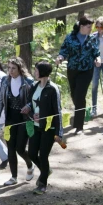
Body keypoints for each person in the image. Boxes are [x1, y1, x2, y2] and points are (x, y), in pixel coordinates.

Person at [55, 15, 100, 135]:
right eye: (89, 27)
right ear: (81, 26)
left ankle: (79, 125)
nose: (91, 29)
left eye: (91, 27)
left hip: (87, 70)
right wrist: (60, 58)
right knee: (74, 95)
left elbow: (96, 52)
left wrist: (98, 59)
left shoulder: (92, 38)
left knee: (80, 95)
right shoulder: (70, 37)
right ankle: (81, 110)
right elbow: (63, 51)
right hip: (73, 69)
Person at [0, 57, 35, 186]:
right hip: (10, 118)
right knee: (10, 148)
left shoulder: (29, 81)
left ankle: (30, 164)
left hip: (25, 118)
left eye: (13, 68)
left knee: (20, 148)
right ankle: (13, 177)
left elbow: (35, 99)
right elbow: (0, 100)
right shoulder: (5, 81)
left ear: (20, 68)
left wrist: (28, 106)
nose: (10, 71)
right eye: (9, 68)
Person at [26, 61, 63, 195]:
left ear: (42, 72)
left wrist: (59, 133)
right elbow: (29, 104)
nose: (34, 72)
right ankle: (45, 170)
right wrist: (31, 114)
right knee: (31, 153)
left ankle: (42, 184)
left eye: (36, 70)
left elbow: (58, 111)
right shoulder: (34, 86)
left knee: (43, 155)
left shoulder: (53, 89)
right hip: (35, 127)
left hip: (49, 128)